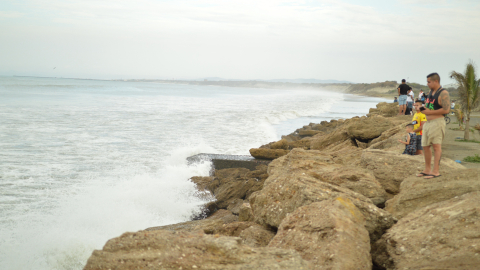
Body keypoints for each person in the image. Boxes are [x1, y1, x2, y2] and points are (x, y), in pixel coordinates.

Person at [417, 72, 450, 179]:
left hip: (437, 122)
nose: (427, 84)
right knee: (425, 146)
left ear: (436, 81)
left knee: (436, 146)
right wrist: (422, 109)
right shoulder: (431, 92)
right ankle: (427, 169)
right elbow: (430, 107)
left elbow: (446, 109)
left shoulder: (443, 93)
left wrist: (429, 112)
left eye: (429, 82)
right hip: (428, 123)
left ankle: (435, 171)